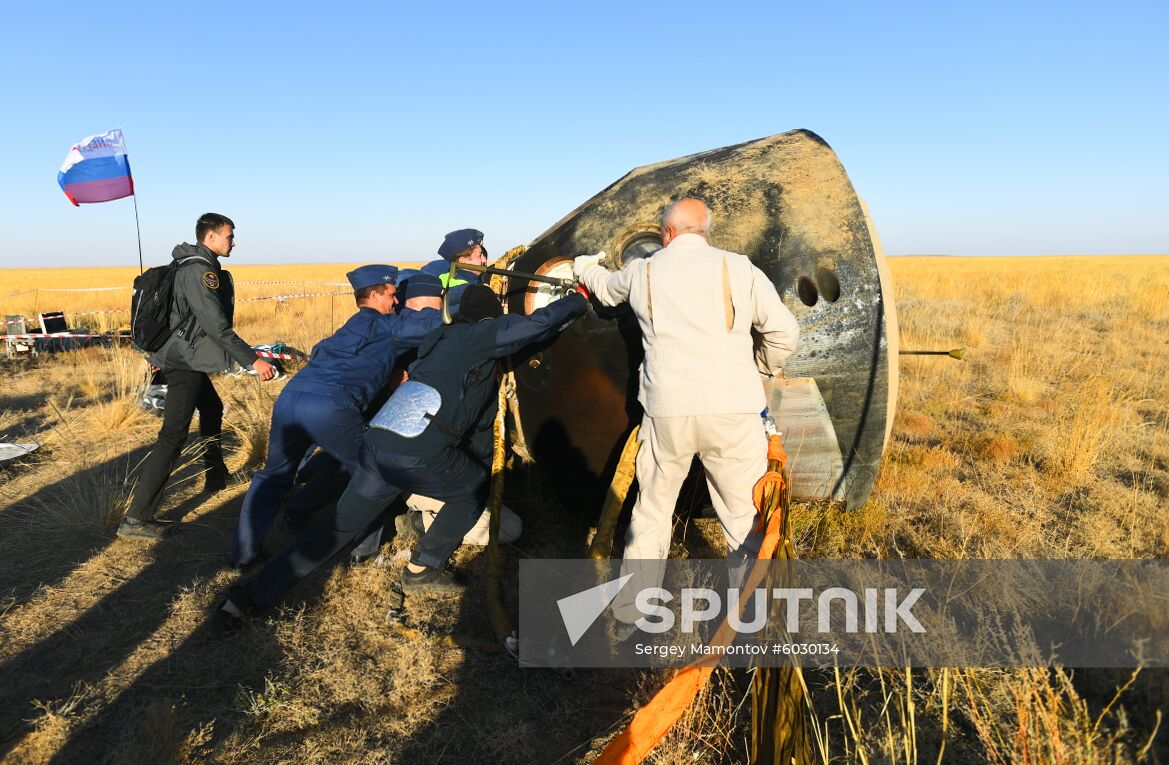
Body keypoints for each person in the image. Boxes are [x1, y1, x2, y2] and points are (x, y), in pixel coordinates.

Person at [214, 285, 586, 626]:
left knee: (333, 532)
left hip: (378, 445)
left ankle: (244, 599)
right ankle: (424, 567)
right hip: (417, 450)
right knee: (471, 485)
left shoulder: (437, 341)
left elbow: (475, 421)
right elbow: (537, 325)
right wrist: (579, 298)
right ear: (488, 318)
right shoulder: (476, 336)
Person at [574, 198, 800, 575]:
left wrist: (585, 268)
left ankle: (634, 602)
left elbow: (607, 289)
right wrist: (759, 368)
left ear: (668, 233)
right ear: (705, 231)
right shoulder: (739, 267)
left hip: (666, 413)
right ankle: (751, 603)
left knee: (651, 514)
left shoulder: (642, 270)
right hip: (733, 411)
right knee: (744, 519)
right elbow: (785, 333)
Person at [228, 265, 442, 569]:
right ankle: (362, 551)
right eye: (392, 295)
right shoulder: (388, 326)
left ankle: (243, 554)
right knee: (374, 473)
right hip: (330, 407)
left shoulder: (350, 325)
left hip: (291, 397)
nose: (396, 301)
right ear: (375, 295)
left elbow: (319, 351)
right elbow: (433, 324)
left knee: (273, 476)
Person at [118, 213, 277, 540]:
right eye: (229, 236)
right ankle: (136, 518)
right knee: (172, 435)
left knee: (212, 407)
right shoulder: (198, 272)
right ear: (211, 237)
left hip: (183, 356)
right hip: (185, 362)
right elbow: (216, 326)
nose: (234, 242)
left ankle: (216, 476)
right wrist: (253, 361)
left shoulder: (195, 265)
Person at [419, 228, 489, 311]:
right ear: (463, 261)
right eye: (480, 255)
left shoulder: (478, 278)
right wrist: (481, 289)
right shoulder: (446, 280)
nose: (484, 260)